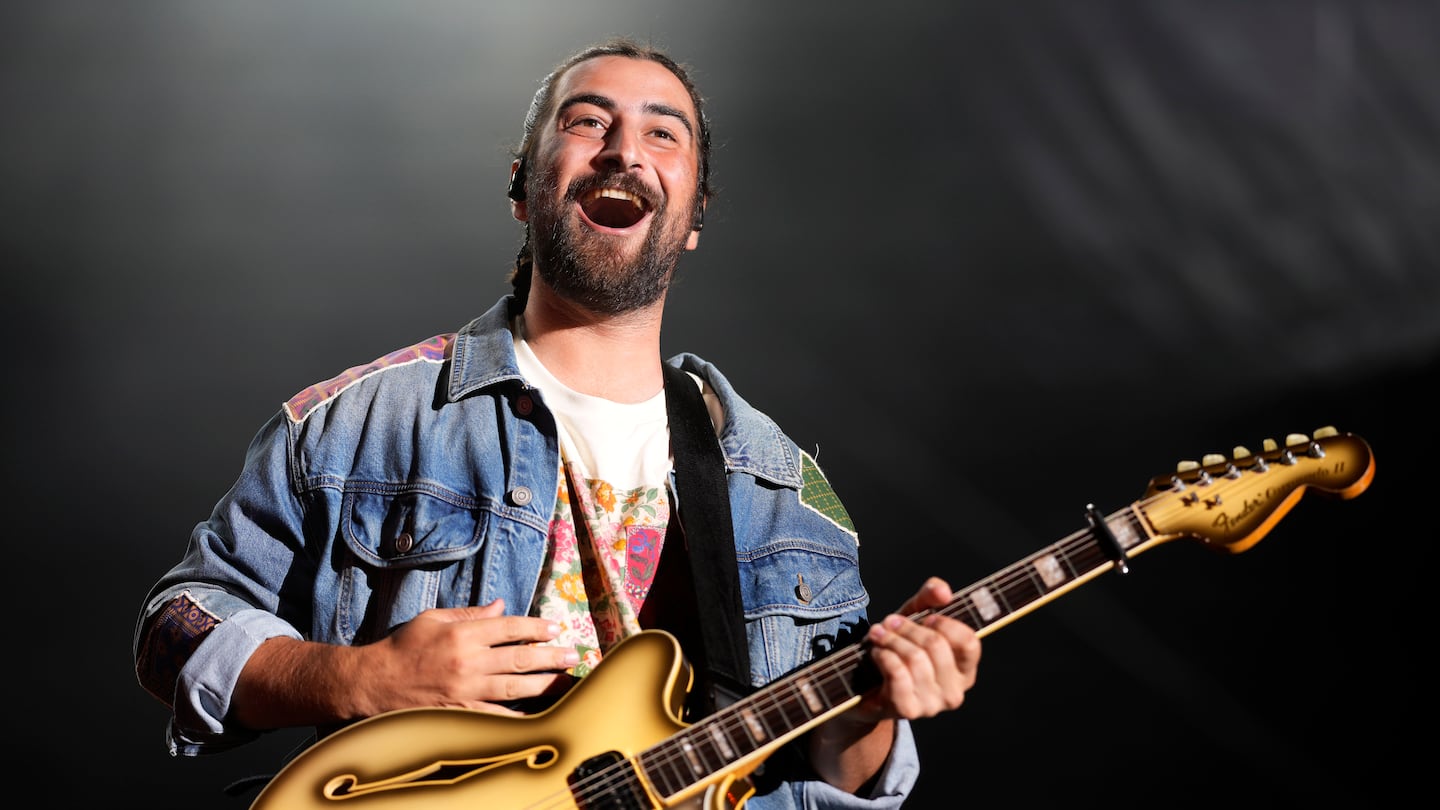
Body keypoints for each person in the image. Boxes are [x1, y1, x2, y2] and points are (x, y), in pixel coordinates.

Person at [133, 37, 981, 809]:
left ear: (693, 216)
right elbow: (175, 627)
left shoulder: (785, 489)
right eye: (587, 122)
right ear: (522, 187)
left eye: (663, 133)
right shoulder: (360, 422)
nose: (623, 149)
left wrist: (873, 713)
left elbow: (821, 772)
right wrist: (354, 678)